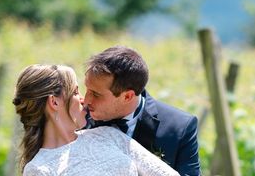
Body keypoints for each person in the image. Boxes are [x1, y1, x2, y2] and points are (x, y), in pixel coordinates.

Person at [12, 63, 180, 176]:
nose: (84, 99)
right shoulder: (38, 169)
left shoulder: (108, 135)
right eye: (76, 92)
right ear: (54, 102)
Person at [84, 46, 201, 176]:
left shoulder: (180, 128)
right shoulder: (77, 117)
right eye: (87, 89)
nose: (86, 100)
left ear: (127, 96)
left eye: (96, 94)